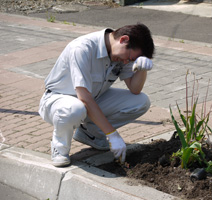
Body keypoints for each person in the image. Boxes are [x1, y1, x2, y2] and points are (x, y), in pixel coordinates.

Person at [38, 23, 155, 167]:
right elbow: (84, 97)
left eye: (131, 61)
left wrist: (142, 70)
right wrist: (112, 134)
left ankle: (90, 134)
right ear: (123, 39)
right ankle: (60, 148)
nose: (126, 63)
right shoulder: (82, 48)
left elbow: (135, 90)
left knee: (141, 101)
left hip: (92, 99)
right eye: (129, 58)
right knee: (74, 109)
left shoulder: (120, 53)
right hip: (58, 101)